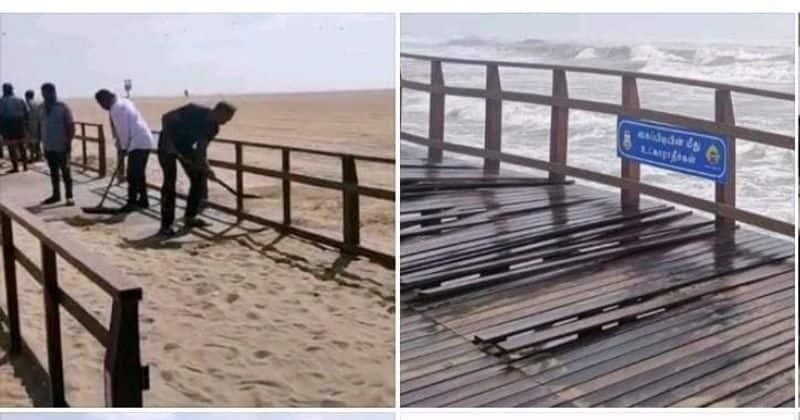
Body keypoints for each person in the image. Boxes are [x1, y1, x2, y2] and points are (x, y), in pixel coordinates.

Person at [157, 101, 236, 236]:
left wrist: (206, 168)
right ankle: (166, 226)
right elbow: (165, 117)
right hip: (166, 143)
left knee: (199, 178)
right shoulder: (194, 110)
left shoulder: (213, 127)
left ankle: (190, 216)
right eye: (227, 118)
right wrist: (170, 144)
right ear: (220, 112)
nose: (227, 122)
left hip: (184, 147)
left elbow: (201, 149)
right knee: (170, 183)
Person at [94, 89, 156, 211]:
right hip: (144, 139)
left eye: (101, 104)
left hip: (137, 142)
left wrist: (123, 148)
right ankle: (143, 200)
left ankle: (131, 202)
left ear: (105, 99)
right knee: (139, 173)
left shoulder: (116, 109)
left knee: (132, 174)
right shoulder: (124, 101)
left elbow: (123, 131)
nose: (102, 107)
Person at [40, 83, 75, 206]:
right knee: (53, 172)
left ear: (53, 92)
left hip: (61, 145)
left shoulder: (62, 107)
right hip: (48, 146)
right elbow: (41, 125)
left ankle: (69, 196)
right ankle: (56, 195)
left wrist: (68, 142)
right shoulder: (41, 108)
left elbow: (71, 126)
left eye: (46, 92)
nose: (44, 95)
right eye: (43, 93)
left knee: (65, 172)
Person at [0, 83, 29, 173]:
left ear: (4, 90)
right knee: (21, 145)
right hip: (20, 123)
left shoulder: (2, 101)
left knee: (11, 146)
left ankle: (15, 167)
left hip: (8, 124)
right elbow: (26, 112)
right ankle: (25, 166)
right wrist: (25, 124)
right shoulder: (20, 99)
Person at [24, 90, 43, 162]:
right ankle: (39, 156)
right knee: (37, 142)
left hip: (29, 124)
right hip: (38, 124)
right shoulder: (37, 103)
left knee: (30, 143)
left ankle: (32, 157)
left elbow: (25, 113)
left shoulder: (26, 103)